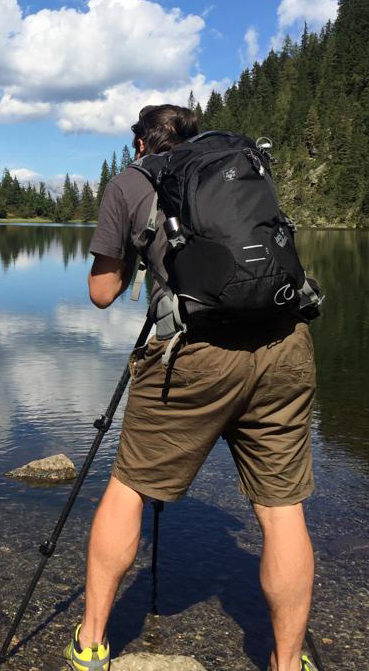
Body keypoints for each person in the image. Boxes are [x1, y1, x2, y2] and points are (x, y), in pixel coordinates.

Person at [64, 105, 319, 671]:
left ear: (139, 143)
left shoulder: (132, 180)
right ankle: (287, 662)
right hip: (284, 342)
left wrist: (136, 256)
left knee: (129, 486)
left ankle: (91, 643)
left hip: (195, 355)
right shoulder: (235, 161)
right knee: (282, 510)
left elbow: (103, 292)